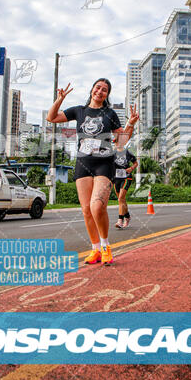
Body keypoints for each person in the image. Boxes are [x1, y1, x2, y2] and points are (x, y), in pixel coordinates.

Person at [47, 79, 139, 266]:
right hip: (83, 163)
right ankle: (95, 249)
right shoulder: (78, 111)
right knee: (87, 210)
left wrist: (130, 124)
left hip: (104, 164)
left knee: (97, 206)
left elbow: (121, 141)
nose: (100, 91)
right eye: (98, 88)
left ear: (107, 95)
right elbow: (52, 117)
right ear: (92, 90)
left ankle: (105, 246)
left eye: (104, 90)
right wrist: (60, 99)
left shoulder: (110, 113)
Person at [113, 146, 138, 229]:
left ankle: (120, 220)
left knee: (120, 199)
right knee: (122, 200)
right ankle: (127, 216)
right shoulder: (112, 153)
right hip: (116, 178)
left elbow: (136, 163)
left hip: (126, 177)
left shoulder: (127, 153)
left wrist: (131, 168)